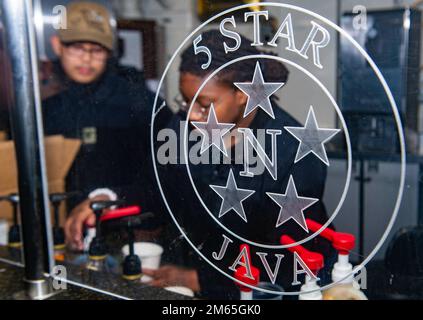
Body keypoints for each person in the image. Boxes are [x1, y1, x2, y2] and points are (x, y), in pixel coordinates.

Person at [142, 30, 337, 299]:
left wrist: (201, 279)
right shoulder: (183, 128)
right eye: (186, 101)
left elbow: (288, 257)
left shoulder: (294, 151)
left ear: (244, 94)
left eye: (205, 104)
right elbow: (163, 196)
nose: (192, 115)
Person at [42, 1, 169, 250]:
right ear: (57, 45)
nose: (87, 58)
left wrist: (114, 198)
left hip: (126, 234)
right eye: (77, 47)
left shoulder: (138, 101)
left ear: (110, 52)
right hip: (61, 237)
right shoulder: (44, 106)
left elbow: (171, 172)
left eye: (96, 50)